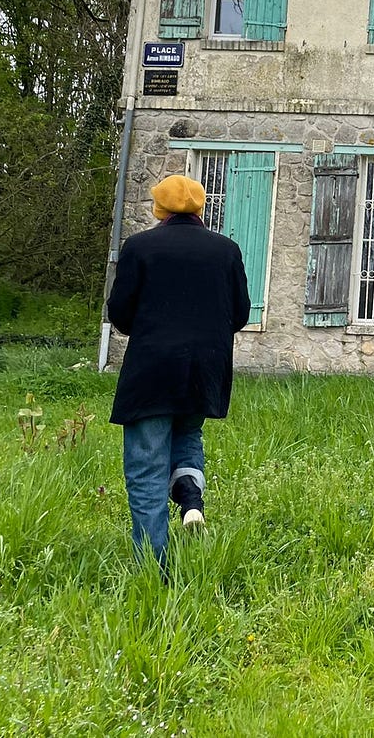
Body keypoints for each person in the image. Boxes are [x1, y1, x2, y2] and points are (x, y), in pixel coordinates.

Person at [107, 173, 250, 571]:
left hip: (151, 370)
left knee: (147, 467)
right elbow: (240, 313)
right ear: (201, 207)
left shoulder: (140, 247)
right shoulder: (227, 250)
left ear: (160, 208)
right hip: (205, 370)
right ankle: (190, 500)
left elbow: (119, 313)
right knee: (187, 433)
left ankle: (153, 567)